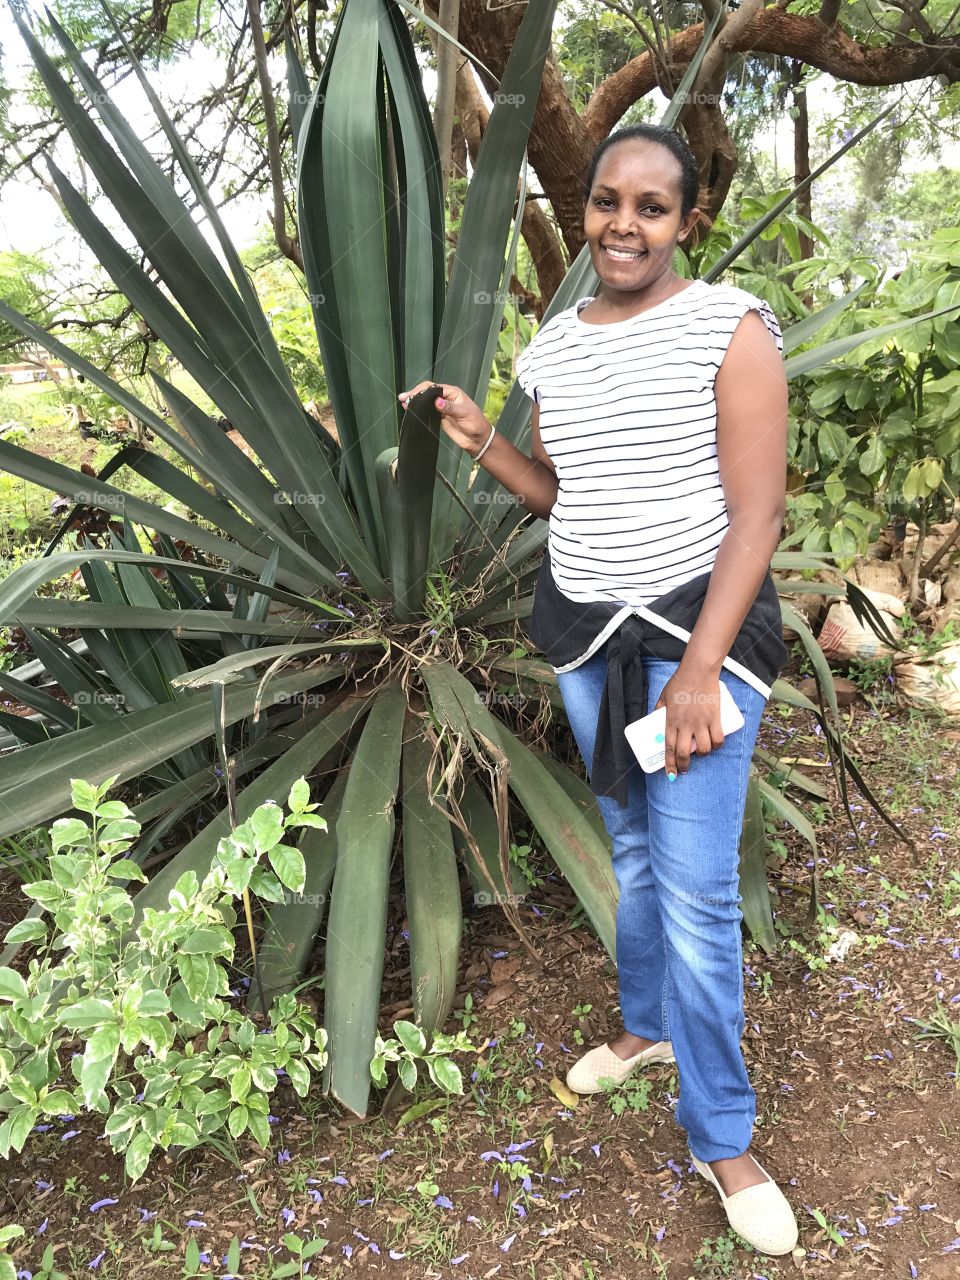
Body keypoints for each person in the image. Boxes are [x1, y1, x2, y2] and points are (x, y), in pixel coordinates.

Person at [398, 123, 797, 1257]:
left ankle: (723, 1136)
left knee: (701, 895)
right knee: (628, 847)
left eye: (652, 207)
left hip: (694, 638)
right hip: (585, 634)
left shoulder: (730, 325)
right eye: (608, 201)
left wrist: (705, 671)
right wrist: (483, 439)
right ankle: (647, 1028)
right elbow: (558, 496)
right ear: (585, 209)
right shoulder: (555, 348)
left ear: (688, 221)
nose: (625, 223)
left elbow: (757, 513)